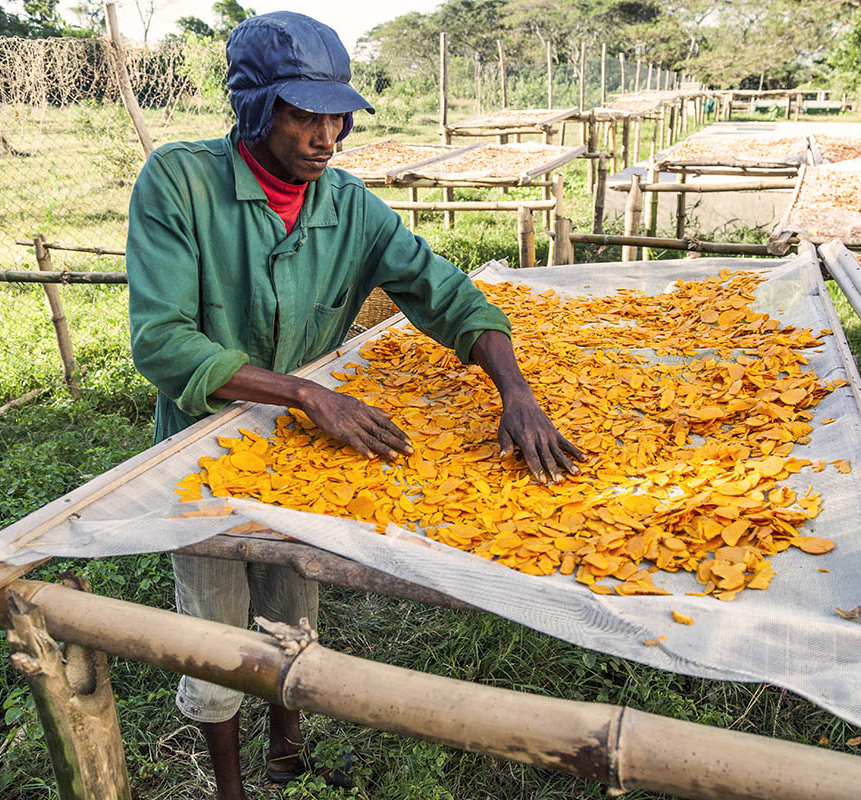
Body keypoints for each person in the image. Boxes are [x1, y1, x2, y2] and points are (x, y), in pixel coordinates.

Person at [125, 12, 585, 799]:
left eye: (337, 115)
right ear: (257, 109)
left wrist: (517, 393)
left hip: (306, 443)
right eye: (305, 114)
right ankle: (230, 785)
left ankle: (287, 753)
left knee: (292, 594)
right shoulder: (179, 182)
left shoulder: (349, 205)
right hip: (208, 441)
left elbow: (446, 293)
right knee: (213, 626)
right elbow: (162, 343)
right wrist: (305, 392)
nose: (327, 135)